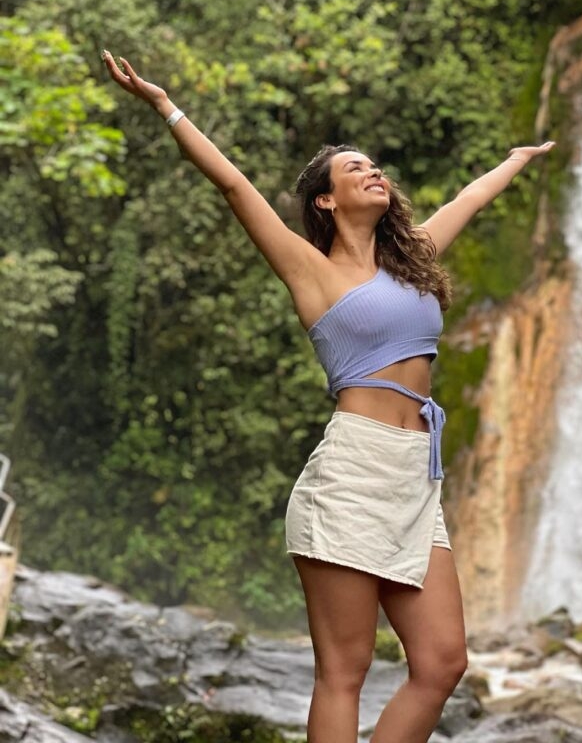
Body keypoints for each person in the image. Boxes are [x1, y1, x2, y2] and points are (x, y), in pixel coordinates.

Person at [102, 49, 555, 743]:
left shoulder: (415, 262)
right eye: (354, 168)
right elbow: (231, 185)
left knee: (441, 663)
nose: (374, 172)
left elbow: (466, 198)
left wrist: (516, 161)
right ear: (325, 199)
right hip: (352, 470)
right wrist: (166, 106)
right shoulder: (309, 270)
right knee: (342, 671)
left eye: (376, 167)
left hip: (414, 474)